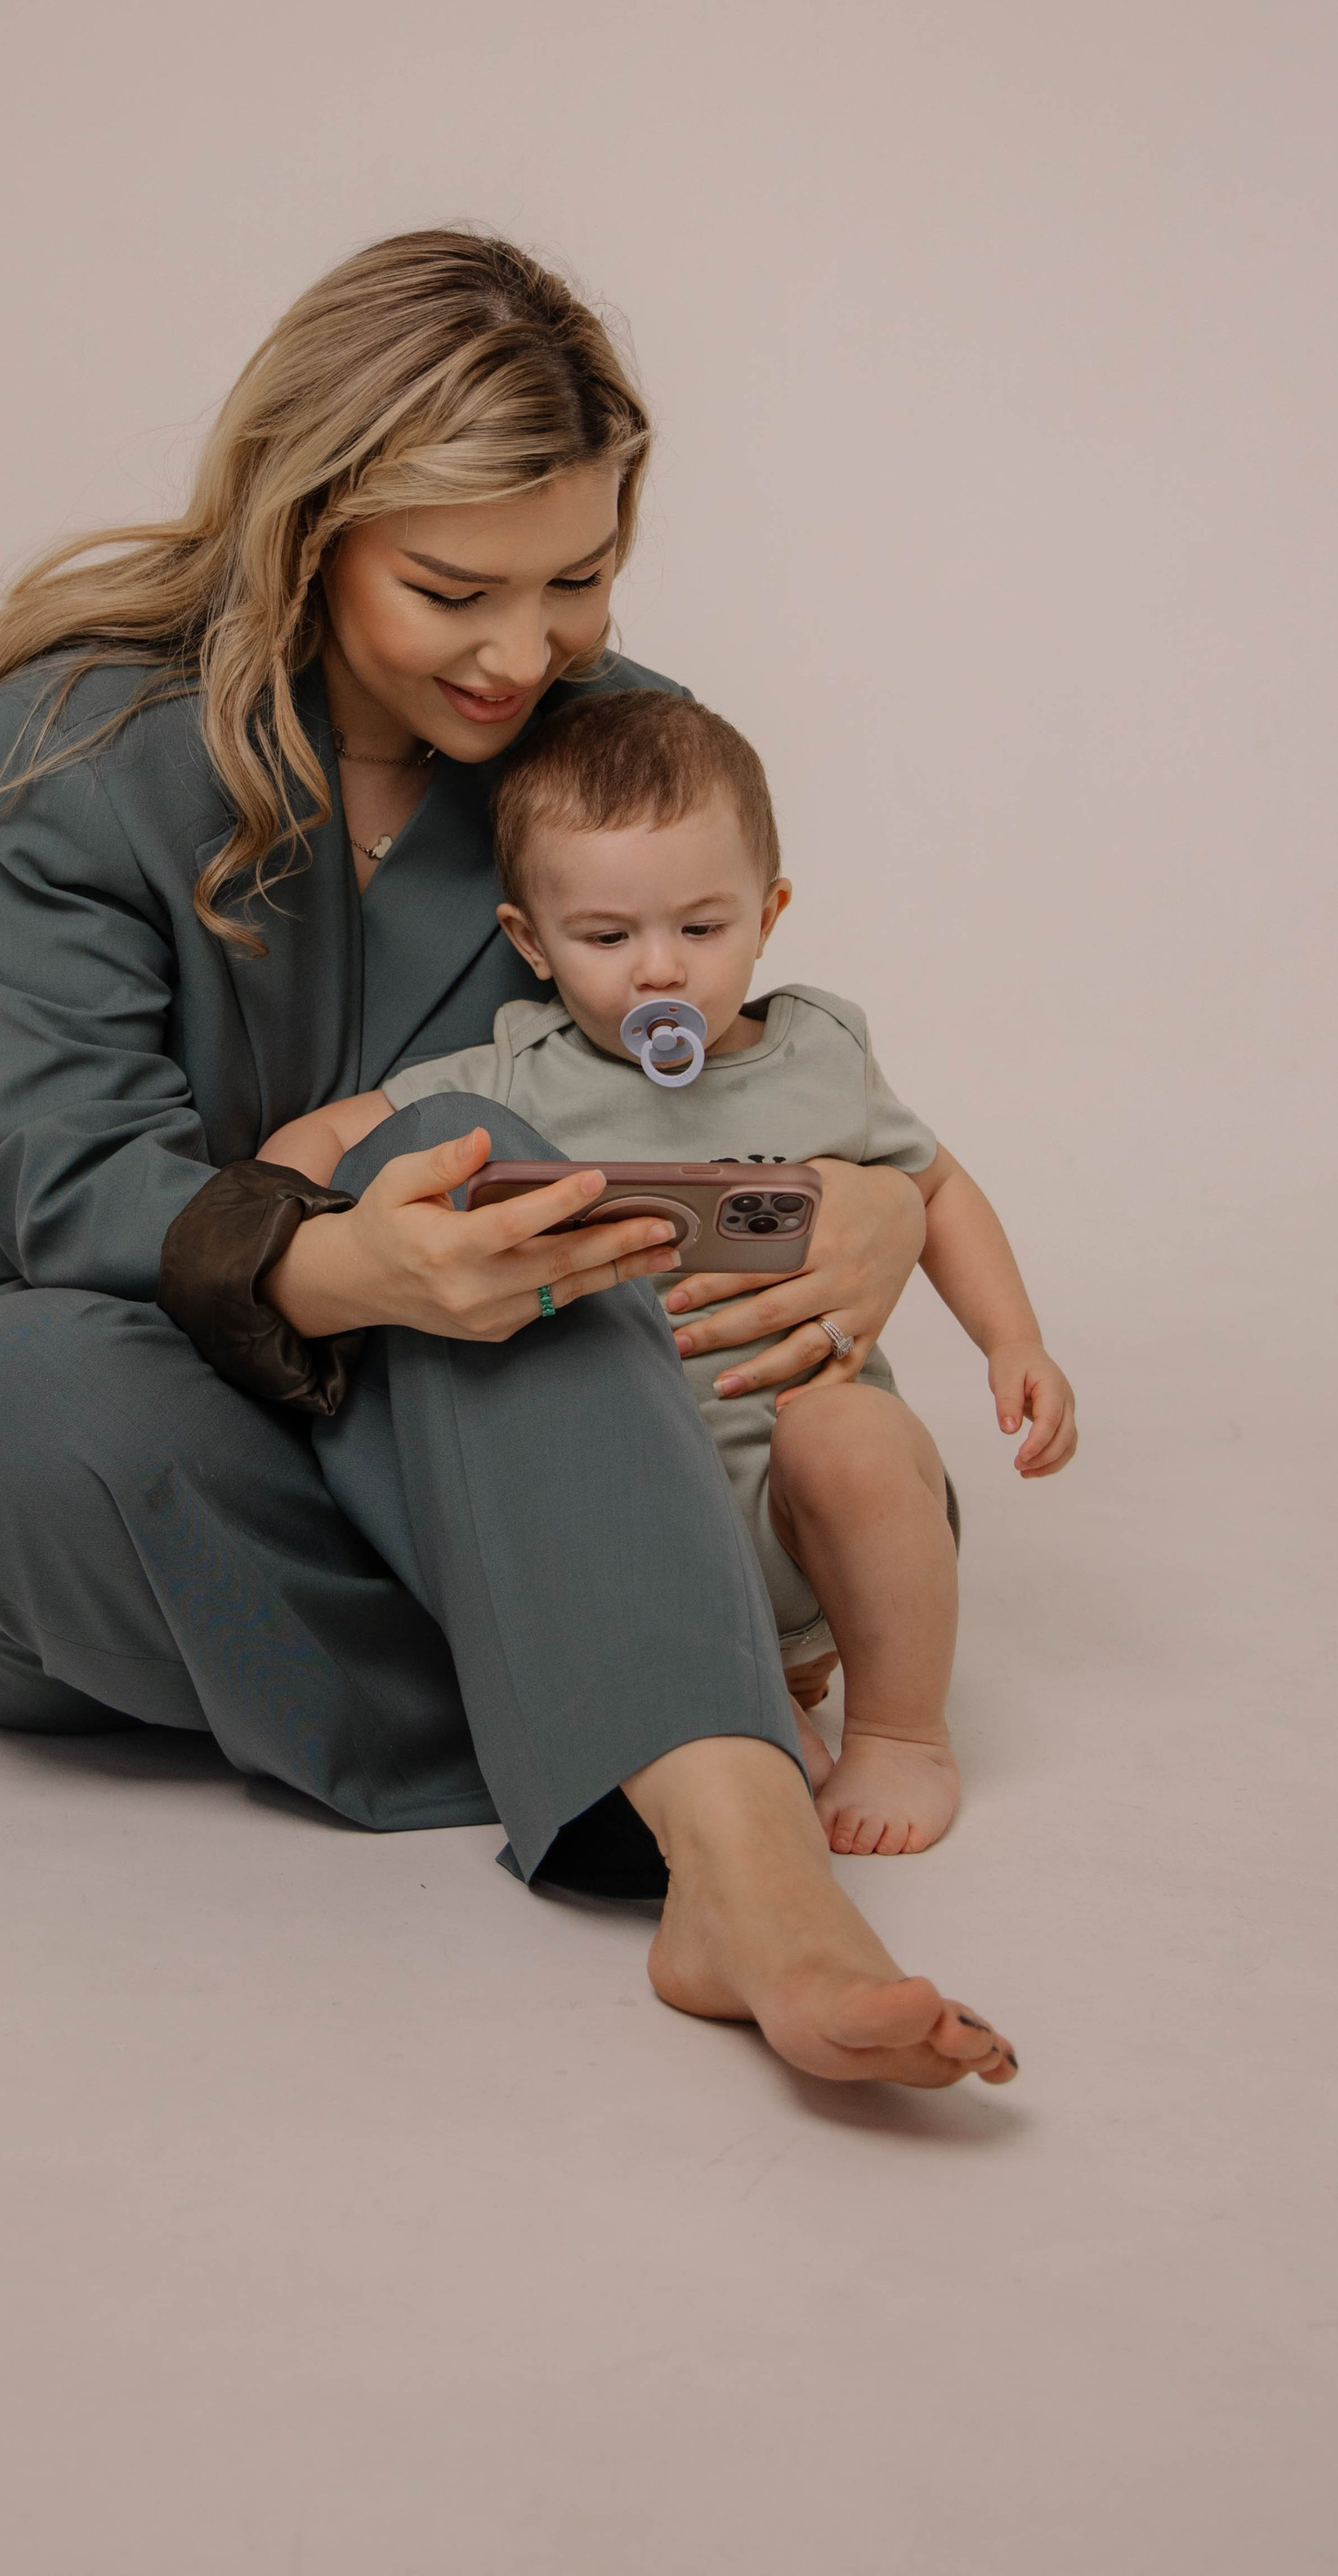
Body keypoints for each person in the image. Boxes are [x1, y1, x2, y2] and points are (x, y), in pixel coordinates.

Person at [0, 230, 1017, 2090]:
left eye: (580, 578)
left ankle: (741, 1870)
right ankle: (656, 1669)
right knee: (7, 1399)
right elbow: (55, 1171)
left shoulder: (606, 748)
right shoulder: (79, 737)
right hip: (135, 1407)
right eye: (453, 587)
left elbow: (726, 1063)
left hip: (498, 1421)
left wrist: (852, 1204)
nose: (523, 650)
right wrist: (330, 1268)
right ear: (309, 534)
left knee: (471, 1148)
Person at [259, 688, 1079, 1860]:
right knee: (598, 1502)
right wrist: (288, 1220)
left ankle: (899, 1731)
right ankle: (741, 1714)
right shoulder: (517, 1076)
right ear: (532, 942)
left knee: (848, 1438)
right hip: (636, 1531)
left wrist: (1015, 1341)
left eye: (703, 929)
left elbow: (937, 1187)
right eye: (606, 938)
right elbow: (327, 1140)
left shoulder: (819, 1056)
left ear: (768, 913)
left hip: (817, 1518)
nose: (661, 973)